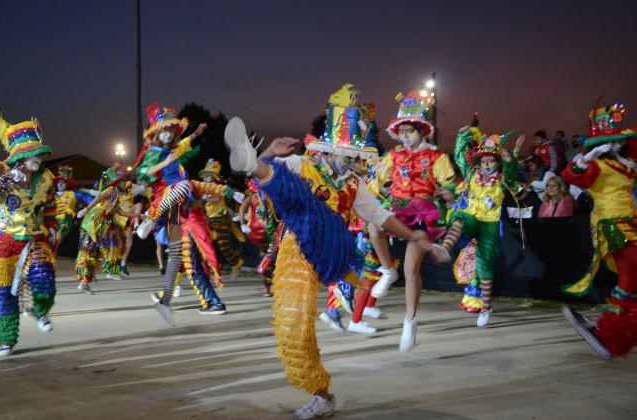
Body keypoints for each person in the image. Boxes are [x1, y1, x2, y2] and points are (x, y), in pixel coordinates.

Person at [225, 83, 449, 419]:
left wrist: (415, 238)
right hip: (296, 246)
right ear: (326, 149)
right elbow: (276, 176)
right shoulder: (304, 164)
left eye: (351, 156)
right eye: (340, 153)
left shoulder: (353, 187)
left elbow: (382, 216)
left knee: (299, 322)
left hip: (326, 249)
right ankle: (321, 394)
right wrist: (269, 153)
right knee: (294, 326)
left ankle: (322, 391)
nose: (346, 160)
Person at [0, 105, 59, 356]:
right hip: (0, 239)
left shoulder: (47, 178)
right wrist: (5, 178)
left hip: (33, 238)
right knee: (2, 292)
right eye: (32, 153)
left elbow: (50, 204)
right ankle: (6, 339)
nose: (37, 158)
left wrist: (53, 227)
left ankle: (38, 309)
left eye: (39, 153)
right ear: (19, 155)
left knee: (44, 281)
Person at [373, 89, 457, 351]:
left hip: (423, 213)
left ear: (421, 131)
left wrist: (447, 192)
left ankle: (410, 320)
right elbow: (376, 180)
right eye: (402, 130)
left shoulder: (436, 157)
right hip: (397, 209)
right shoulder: (394, 156)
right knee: (374, 223)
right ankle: (388, 270)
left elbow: (451, 183)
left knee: (411, 269)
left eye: (410, 130)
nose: (405, 135)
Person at [136, 102, 234, 325]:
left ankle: (170, 301)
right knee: (187, 260)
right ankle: (149, 221)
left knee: (181, 259)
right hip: (171, 208)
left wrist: (196, 134)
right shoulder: (155, 153)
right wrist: (164, 164)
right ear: (157, 133)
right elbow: (142, 174)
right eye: (166, 130)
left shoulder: (170, 153)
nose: (170, 134)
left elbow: (181, 146)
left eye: (172, 130)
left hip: (181, 212)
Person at [561, 99, 637, 360]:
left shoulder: (626, 162)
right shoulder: (596, 165)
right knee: (630, 269)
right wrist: (588, 155)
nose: (616, 143)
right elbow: (570, 176)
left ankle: (612, 330)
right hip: (609, 223)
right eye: (611, 140)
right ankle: (609, 331)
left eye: (618, 138)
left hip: (631, 221)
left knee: (630, 280)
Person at [439, 125, 524, 326]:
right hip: (472, 218)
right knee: (459, 216)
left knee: (485, 265)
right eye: (483, 160)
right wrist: (462, 135)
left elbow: (512, 170)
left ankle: (485, 308)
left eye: (490, 160)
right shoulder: (472, 174)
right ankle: (444, 248)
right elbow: (460, 156)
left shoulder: (503, 180)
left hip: (490, 225)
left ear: (496, 163)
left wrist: (508, 156)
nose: (486, 164)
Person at [199, 159, 246, 279]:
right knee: (204, 245)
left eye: (208, 176)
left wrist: (203, 197)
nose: (206, 178)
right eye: (205, 176)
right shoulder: (204, 187)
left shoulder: (218, 187)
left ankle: (236, 264)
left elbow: (214, 198)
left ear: (213, 177)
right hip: (209, 219)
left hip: (220, 218)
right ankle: (209, 270)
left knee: (224, 245)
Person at [54, 165, 78, 247]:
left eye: (63, 183)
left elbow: (84, 195)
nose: (60, 185)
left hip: (64, 220)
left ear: (67, 184)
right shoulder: (51, 194)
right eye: (59, 182)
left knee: (57, 240)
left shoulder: (72, 194)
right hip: (52, 218)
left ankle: (52, 254)